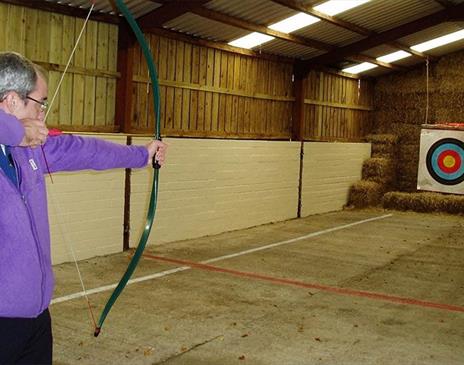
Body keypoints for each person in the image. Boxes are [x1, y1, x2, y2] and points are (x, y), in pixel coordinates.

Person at [0, 52, 167, 364]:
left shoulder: (32, 150)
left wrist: (142, 155)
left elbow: (86, 151)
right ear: (11, 102)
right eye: (40, 103)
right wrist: (14, 130)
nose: (42, 115)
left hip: (36, 317)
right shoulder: (19, 138)